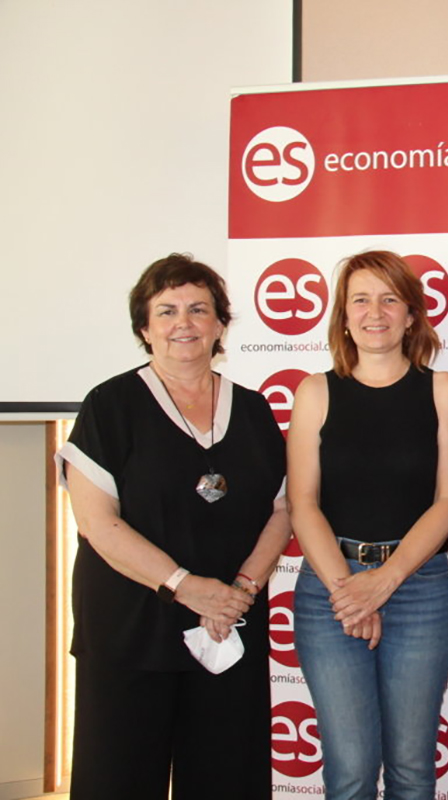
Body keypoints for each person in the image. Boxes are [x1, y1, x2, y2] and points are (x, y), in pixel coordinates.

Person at [56, 253, 289, 800]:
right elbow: (97, 524)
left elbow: (283, 510)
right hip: (131, 629)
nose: (183, 323)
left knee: (227, 775)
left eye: (198, 309)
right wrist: (188, 587)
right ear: (145, 327)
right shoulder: (109, 405)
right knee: (119, 776)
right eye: (166, 311)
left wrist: (241, 590)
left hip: (227, 627)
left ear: (220, 325)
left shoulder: (254, 411)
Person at [288, 251, 448, 800]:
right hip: (329, 592)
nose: (375, 312)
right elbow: (303, 503)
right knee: (350, 772)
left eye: (390, 299)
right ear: (343, 315)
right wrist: (349, 591)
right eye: (360, 299)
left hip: (419, 591)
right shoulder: (314, 393)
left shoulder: (443, 391)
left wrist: (382, 582)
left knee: (413, 771)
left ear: (412, 314)